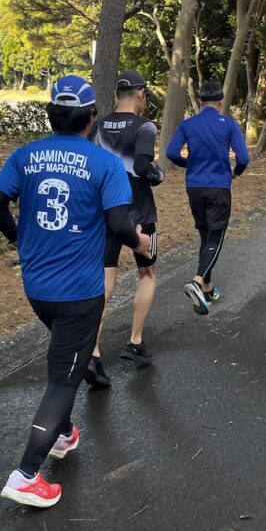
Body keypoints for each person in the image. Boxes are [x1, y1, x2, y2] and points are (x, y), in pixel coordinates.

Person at [0, 75, 152, 508]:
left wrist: (19, 238)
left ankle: (62, 433)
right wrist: (141, 243)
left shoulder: (25, 156)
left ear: (50, 115)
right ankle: (25, 474)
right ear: (91, 118)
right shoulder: (104, 164)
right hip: (78, 289)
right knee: (65, 379)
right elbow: (118, 224)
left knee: (65, 353)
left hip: (37, 285)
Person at [89, 70, 164, 387]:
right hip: (139, 214)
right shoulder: (145, 127)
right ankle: (135, 342)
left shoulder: (98, 126)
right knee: (147, 274)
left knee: (105, 280)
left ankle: (91, 352)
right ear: (140, 94)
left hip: (105, 213)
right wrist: (158, 175)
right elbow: (145, 166)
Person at [166, 80, 249, 315]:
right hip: (219, 186)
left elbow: (171, 152)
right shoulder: (229, 125)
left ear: (201, 102)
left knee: (205, 235)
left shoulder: (188, 124)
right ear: (221, 103)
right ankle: (197, 280)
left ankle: (208, 288)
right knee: (216, 236)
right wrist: (235, 173)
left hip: (194, 186)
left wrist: (187, 163)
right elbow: (243, 158)